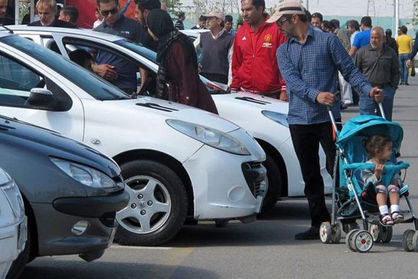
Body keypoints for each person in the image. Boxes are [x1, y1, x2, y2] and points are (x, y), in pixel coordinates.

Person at [271, 1, 384, 240]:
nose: (278, 27)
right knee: (310, 173)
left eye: (280, 22)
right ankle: (319, 223)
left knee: (341, 169)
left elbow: (350, 71)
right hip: (299, 120)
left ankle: (351, 218)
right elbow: (293, 82)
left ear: (293, 19)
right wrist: (316, 95)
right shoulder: (283, 50)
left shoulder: (328, 41)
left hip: (329, 118)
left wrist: (368, 90)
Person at [146, 9, 218, 114]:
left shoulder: (177, 45)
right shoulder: (168, 43)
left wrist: (186, 110)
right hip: (179, 99)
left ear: (156, 26)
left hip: (192, 103)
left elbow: (187, 78)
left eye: (149, 26)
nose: (148, 30)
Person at [231, 0, 287, 100]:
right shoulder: (241, 32)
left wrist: (285, 89)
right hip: (244, 93)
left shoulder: (276, 29)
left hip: (272, 95)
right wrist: (235, 86)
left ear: (260, 9)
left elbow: (287, 62)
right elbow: (236, 63)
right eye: (242, 10)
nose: (244, 14)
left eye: (248, 10)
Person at [94, 0, 145, 94]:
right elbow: (87, 58)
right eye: (105, 12)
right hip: (102, 87)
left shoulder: (134, 27)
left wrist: (142, 86)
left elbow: (142, 59)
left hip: (127, 88)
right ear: (99, 10)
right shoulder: (96, 31)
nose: (110, 15)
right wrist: (96, 68)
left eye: (113, 11)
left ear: (118, 6)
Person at [355, 27, 399, 121]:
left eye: (377, 38)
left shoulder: (391, 53)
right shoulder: (362, 52)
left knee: (384, 121)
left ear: (383, 39)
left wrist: (392, 89)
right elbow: (355, 73)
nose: (374, 40)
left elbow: (396, 72)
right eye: (372, 37)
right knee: (366, 122)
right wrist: (360, 90)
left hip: (385, 91)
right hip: (367, 91)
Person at [361, 134, 403, 226]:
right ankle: (384, 214)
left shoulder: (390, 164)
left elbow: (395, 175)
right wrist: (376, 174)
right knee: (381, 187)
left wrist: (396, 180)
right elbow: (367, 182)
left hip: (389, 191)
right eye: (389, 149)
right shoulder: (367, 166)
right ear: (378, 151)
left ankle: (395, 212)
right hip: (372, 193)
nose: (391, 152)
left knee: (394, 187)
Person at [195, 11, 234, 84]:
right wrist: (195, 64)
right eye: (206, 19)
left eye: (210, 19)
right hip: (203, 78)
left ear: (219, 21)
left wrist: (230, 84)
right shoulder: (202, 36)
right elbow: (189, 50)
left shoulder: (230, 39)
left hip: (221, 80)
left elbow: (231, 63)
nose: (207, 21)